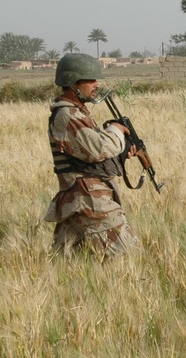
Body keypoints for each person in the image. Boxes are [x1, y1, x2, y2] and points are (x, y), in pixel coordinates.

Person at [44, 53, 140, 258]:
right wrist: (115, 131)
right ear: (73, 83)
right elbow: (97, 150)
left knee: (69, 262)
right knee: (126, 253)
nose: (96, 84)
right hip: (88, 196)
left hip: (81, 193)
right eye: (90, 80)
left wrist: (121, 152)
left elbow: (86, 154)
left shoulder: (78, 112)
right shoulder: (68, 115)